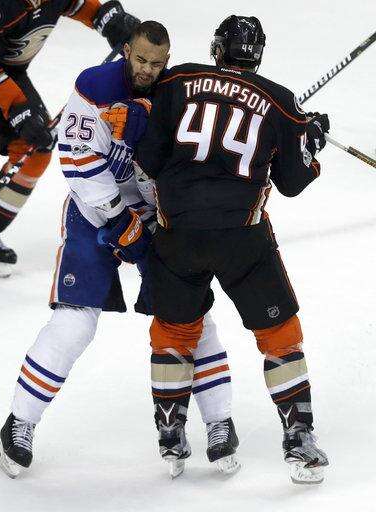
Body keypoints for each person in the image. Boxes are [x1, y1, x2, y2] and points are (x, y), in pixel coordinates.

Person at [0, 21, 238, 480]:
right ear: (126, 50)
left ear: (166, 61)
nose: (147, 69)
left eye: (156, 63)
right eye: (140, 59)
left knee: (191, 320)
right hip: (93, 214)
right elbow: (78, 161)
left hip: (154, 218)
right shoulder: (95, 87)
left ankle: (220, 421)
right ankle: (19, 423)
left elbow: (207, 146)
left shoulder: (176, 90)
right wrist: (120, 220)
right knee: (74, 324)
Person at [135, 15, 330, 484]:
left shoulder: (176, 80)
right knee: (279, 331)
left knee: (174, 332)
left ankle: (171, 434)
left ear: (217, 48)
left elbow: (149, 159)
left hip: (178, 233)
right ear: (257, 56)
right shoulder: (280, 101)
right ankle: (299, 438)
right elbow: (291, 182)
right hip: (242, 238)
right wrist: (309, 142)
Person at [0, 0, 140, 277]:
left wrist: (107, 19)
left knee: (36, 148)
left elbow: (77, 5)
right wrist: (18, 107)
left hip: (4, 73)